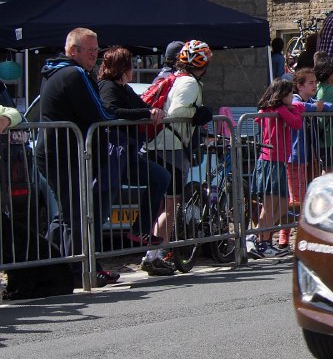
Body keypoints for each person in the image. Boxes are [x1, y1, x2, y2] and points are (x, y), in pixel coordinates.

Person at [36, 27, 120, 287]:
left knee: (66, 215)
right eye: (90, 51)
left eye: (97, 50)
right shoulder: (74, 73)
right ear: (73, 51)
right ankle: (80, 270)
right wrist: (137, 115)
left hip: (59, 153)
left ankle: (51, 264)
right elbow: (100, 114)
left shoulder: (57, 71)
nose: (95, 55)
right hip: (65, 154)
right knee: (77, 215)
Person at [96, 47, 175, 276]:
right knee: (100, 210)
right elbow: (111, 111)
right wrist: (145, 114)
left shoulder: (124, 87)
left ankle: (140, 228)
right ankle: (92, 265)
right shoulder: (108, 86)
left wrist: (152, 111)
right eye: (130, 64)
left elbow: (142, 105)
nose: (133, 69)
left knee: (161, 176)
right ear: (122, 67)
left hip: (127, 154)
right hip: (112, 155)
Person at [143, 40, 214, 268]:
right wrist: (198, 112)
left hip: (158, 144)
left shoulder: (173, 78)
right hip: (171, 147)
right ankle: (155, 255)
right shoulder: (191, 83)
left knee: (162, 204)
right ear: (201, 65)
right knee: (170, 205)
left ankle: (152, 254)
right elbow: (177, 112)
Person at [247, 79, 302, 259]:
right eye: (289, 94)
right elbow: (296, 123)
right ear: (281, 95)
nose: (292, 97)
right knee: (270, 206)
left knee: (284, 203)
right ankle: (263, 242)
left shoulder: (273, 110)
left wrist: (294, 108)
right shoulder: (278, 110)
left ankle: (257, 235)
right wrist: (294, 109)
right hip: (270, 160)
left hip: (278, 160)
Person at [281, 69, 332, 250]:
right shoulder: (294, 99)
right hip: (294, 155)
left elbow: (328, 105)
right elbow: (301, 108)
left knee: (302, 198)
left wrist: (320, 106)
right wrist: (316, 107)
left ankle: (288, 238)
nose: (315, 85)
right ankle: (288, 238)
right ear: (300, 86)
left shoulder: (308, 100)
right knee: (296, 199)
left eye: (315, 82)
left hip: (307, 156)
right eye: (311, 83)